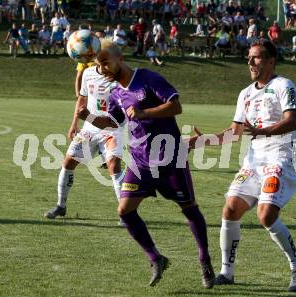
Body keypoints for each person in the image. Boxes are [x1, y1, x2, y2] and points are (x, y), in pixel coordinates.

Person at [76, 40, 215, 289]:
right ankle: (156, 258)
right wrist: (88, 117)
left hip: (170, 157)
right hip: (140, 160)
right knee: (125, 211)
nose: (103, 68)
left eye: (105, 62)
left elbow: (176, 106)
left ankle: (204, 259)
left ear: (120, 59)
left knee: (189, 208)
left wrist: (144, 113)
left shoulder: (148, 78)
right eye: (99, 65)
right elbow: (113, 123)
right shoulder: (116, 93)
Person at [189, 39, 296, 292]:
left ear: (271, 61)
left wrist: (263, 132)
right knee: (230, 209)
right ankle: (226, 273)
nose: (250, 62)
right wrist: (203, 140)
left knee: (266, 215)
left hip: (279, 159)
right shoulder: (245, 93)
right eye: (249, 57)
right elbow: (235, 132)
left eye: (256, 57)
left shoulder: (283, 85)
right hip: (253, 163)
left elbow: (292, 121)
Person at [44, 57, 125, 221]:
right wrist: (74, 123)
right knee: (68, 162)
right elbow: (82, 99)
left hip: (111, 128)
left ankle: (125, 214)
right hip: (89, 129)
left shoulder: (120, 77)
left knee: (113, 166)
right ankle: (61, 206)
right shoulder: (88, 73)